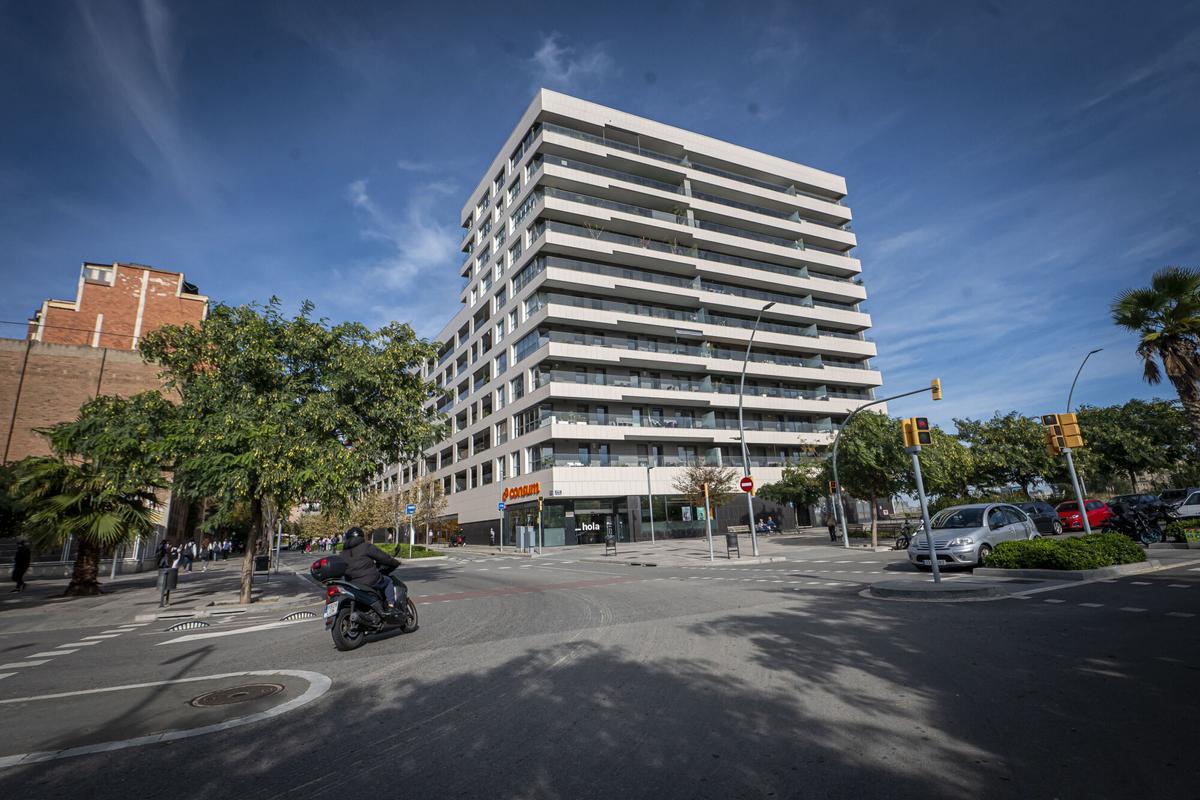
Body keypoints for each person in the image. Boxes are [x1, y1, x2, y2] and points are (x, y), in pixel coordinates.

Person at [341, 527, 403, 615]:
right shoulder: (366, 546)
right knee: (388, 581)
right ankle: (391, 606)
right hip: (369, 580)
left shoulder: (343, 552)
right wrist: (395, 562)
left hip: (351, 584)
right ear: (361, 536)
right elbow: (383, 557)